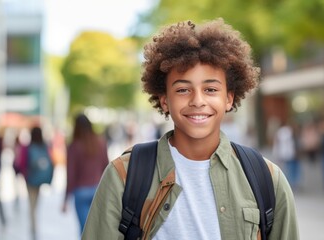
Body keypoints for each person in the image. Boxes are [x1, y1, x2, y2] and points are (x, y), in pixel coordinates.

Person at [82, 19, 298, 239]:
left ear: (229, 99)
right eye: (183, 89)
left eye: (211, 89)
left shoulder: (268, 179)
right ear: (165, 100)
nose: (198, 100)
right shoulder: (124, 176)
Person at [61, 113, 109, 234]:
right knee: (98, 230)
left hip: (81, 192)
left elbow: (70, 174)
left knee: (85, 231)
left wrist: (66, 199)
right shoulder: (100, 142)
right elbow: (107, 167)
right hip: (98, 190)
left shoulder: (74, 146)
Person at [273, 120, 301, 191]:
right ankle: (292, 183)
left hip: (290, 154)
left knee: (292, 169)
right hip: (289, 154)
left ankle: (293, 183)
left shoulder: (284, 132)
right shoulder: (286, 132)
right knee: (290, 169)